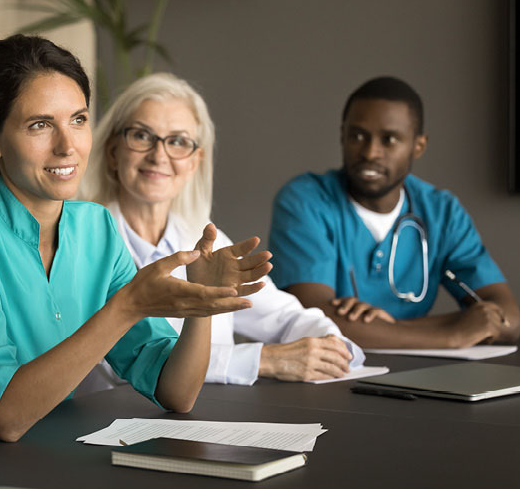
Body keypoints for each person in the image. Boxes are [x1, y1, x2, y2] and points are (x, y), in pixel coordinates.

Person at [0, 35, 272, 442]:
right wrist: (127, 307)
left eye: (78, 120)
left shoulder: (96, 228)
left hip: (52, 456)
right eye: (40, 125)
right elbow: (5, 415)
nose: (67, 146)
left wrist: (203, 302)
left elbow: (176, 392)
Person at [77, 72, 362, 390]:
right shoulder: (80, 242)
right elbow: (115, 363)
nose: (159, 155)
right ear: (114, 151)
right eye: (142, 136)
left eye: (177, 141)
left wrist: (332, 346)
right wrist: (263, 359)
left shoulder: (202, 240)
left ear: (195, 162)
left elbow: (284, 315)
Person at [269, 76, 520, 349]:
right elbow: (315, 321)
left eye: (389, 140)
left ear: (418, 146)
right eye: (358, 136)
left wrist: (393, 327)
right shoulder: (306, 200)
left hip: (419, 376)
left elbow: (510, 319)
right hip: (325, 377)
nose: (370, 152)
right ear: (342, 135)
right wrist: (453, 334)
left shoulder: (441, 211)